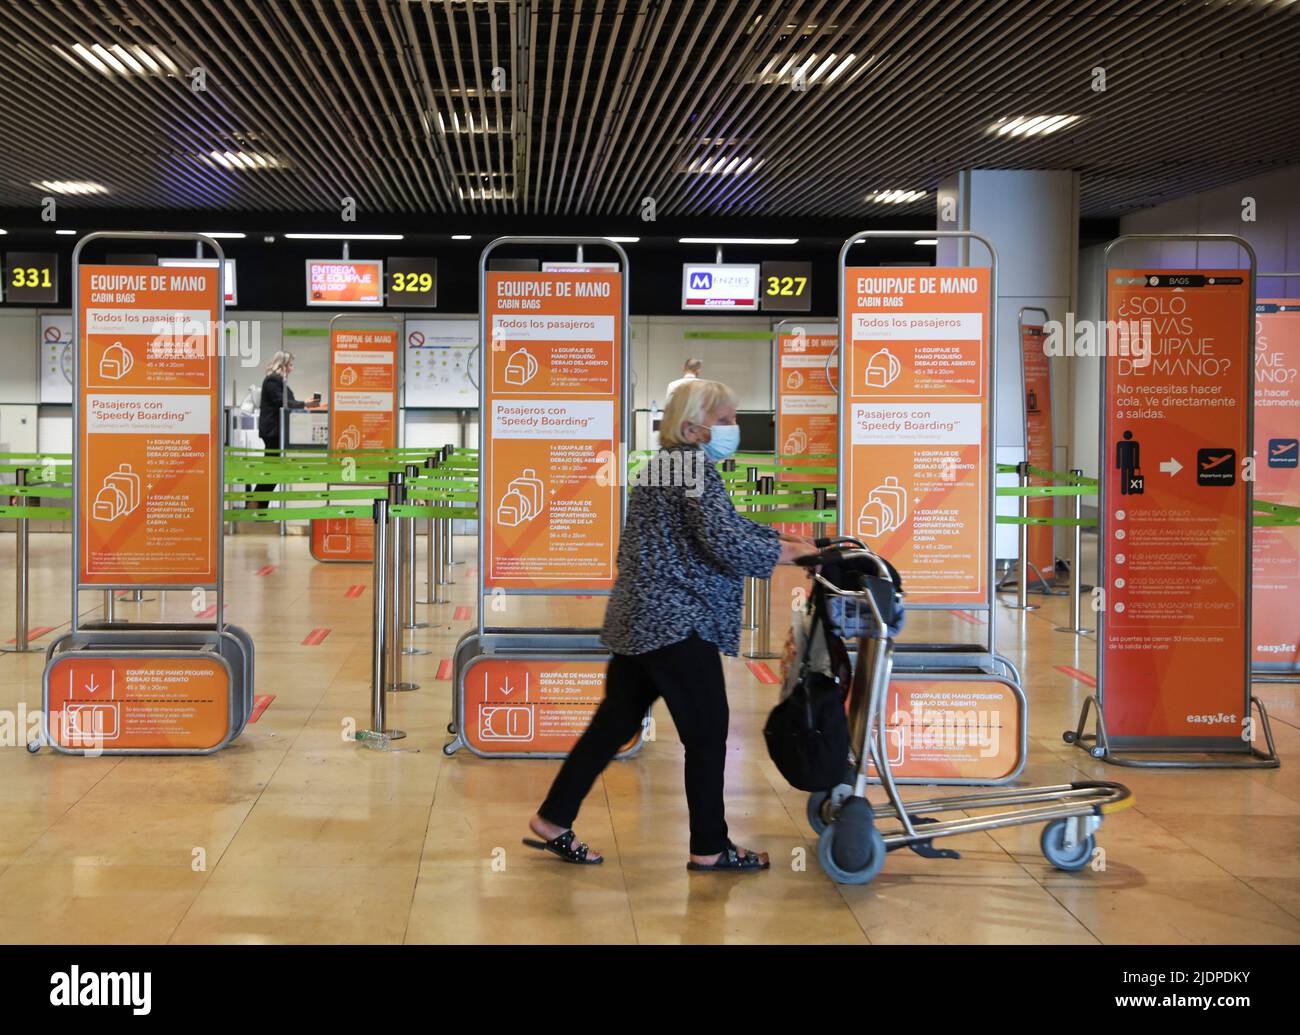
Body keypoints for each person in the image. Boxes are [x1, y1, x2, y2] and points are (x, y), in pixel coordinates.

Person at [523, 378, 818, 871]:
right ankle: (709, 846)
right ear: (693, 427)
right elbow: (723, 541)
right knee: (706, 734)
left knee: (613, 722)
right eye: (724, 420)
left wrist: (779, 537)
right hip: (676, 622)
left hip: (640, 620)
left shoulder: (663, 467)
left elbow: (719, 527)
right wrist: (788, 552)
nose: (732, 428)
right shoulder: (692, 468)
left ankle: (554, 818)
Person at [251, 351, 311, 508]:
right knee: (272, 471)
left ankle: (257, 506)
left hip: (276, 433)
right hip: (274, 433)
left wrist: (306, 404)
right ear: (282, 365)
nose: (292, 369)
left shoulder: (277, 381)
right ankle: (255, 505)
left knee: (271, 470)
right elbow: (284, 402)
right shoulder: (273, 381)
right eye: (290, 365)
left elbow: (287, 401)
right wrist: (305, 404)